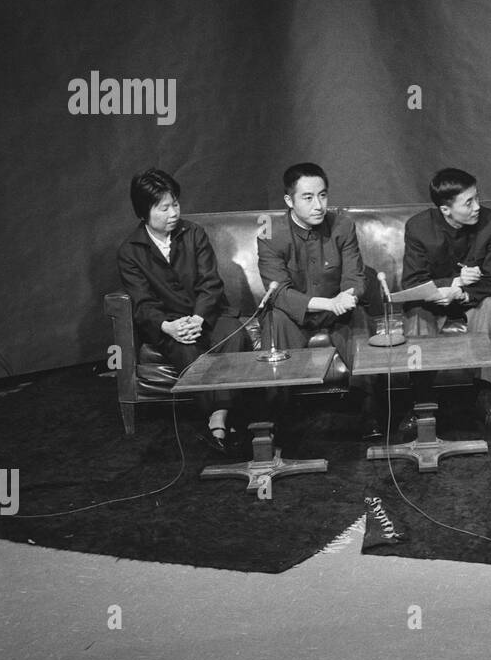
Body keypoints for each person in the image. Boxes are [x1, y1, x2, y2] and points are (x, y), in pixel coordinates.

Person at [116, 168, 249, 452]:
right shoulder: (130, 251)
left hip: (209, 313)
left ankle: (218, 419)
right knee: (188, 352)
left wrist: (200, 317)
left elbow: (210, 283)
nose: (173, 213)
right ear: (144, 212)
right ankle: (224, 419)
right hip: (169, 324)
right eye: (163, 208)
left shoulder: (194, 234)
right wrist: (168, 327)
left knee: (235, 338)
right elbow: (142, 303)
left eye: (175, 204)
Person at [399, 168, 491, 437]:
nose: (477, 207)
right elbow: (413, 283)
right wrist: (454, 283)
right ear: (445, 209)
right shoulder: (418, 227)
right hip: (433, 302)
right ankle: (421, 404)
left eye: (477, 198)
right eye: (468, 202)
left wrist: (463, 293)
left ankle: (484, 401)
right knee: (416, 314)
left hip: (475, 298)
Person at [257, 162, 368, 378]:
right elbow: (279, 292)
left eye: (323, 195)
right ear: (290, 201)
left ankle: (372, 406)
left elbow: (354, 276)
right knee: (276, 319)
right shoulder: (270, 234)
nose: (318, 205)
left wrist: (347, 296)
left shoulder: (342, 226)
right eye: (308, 198)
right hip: (293, 314)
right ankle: (279, 406)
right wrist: (329, 304)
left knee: (360, 321)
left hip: (338, 312)